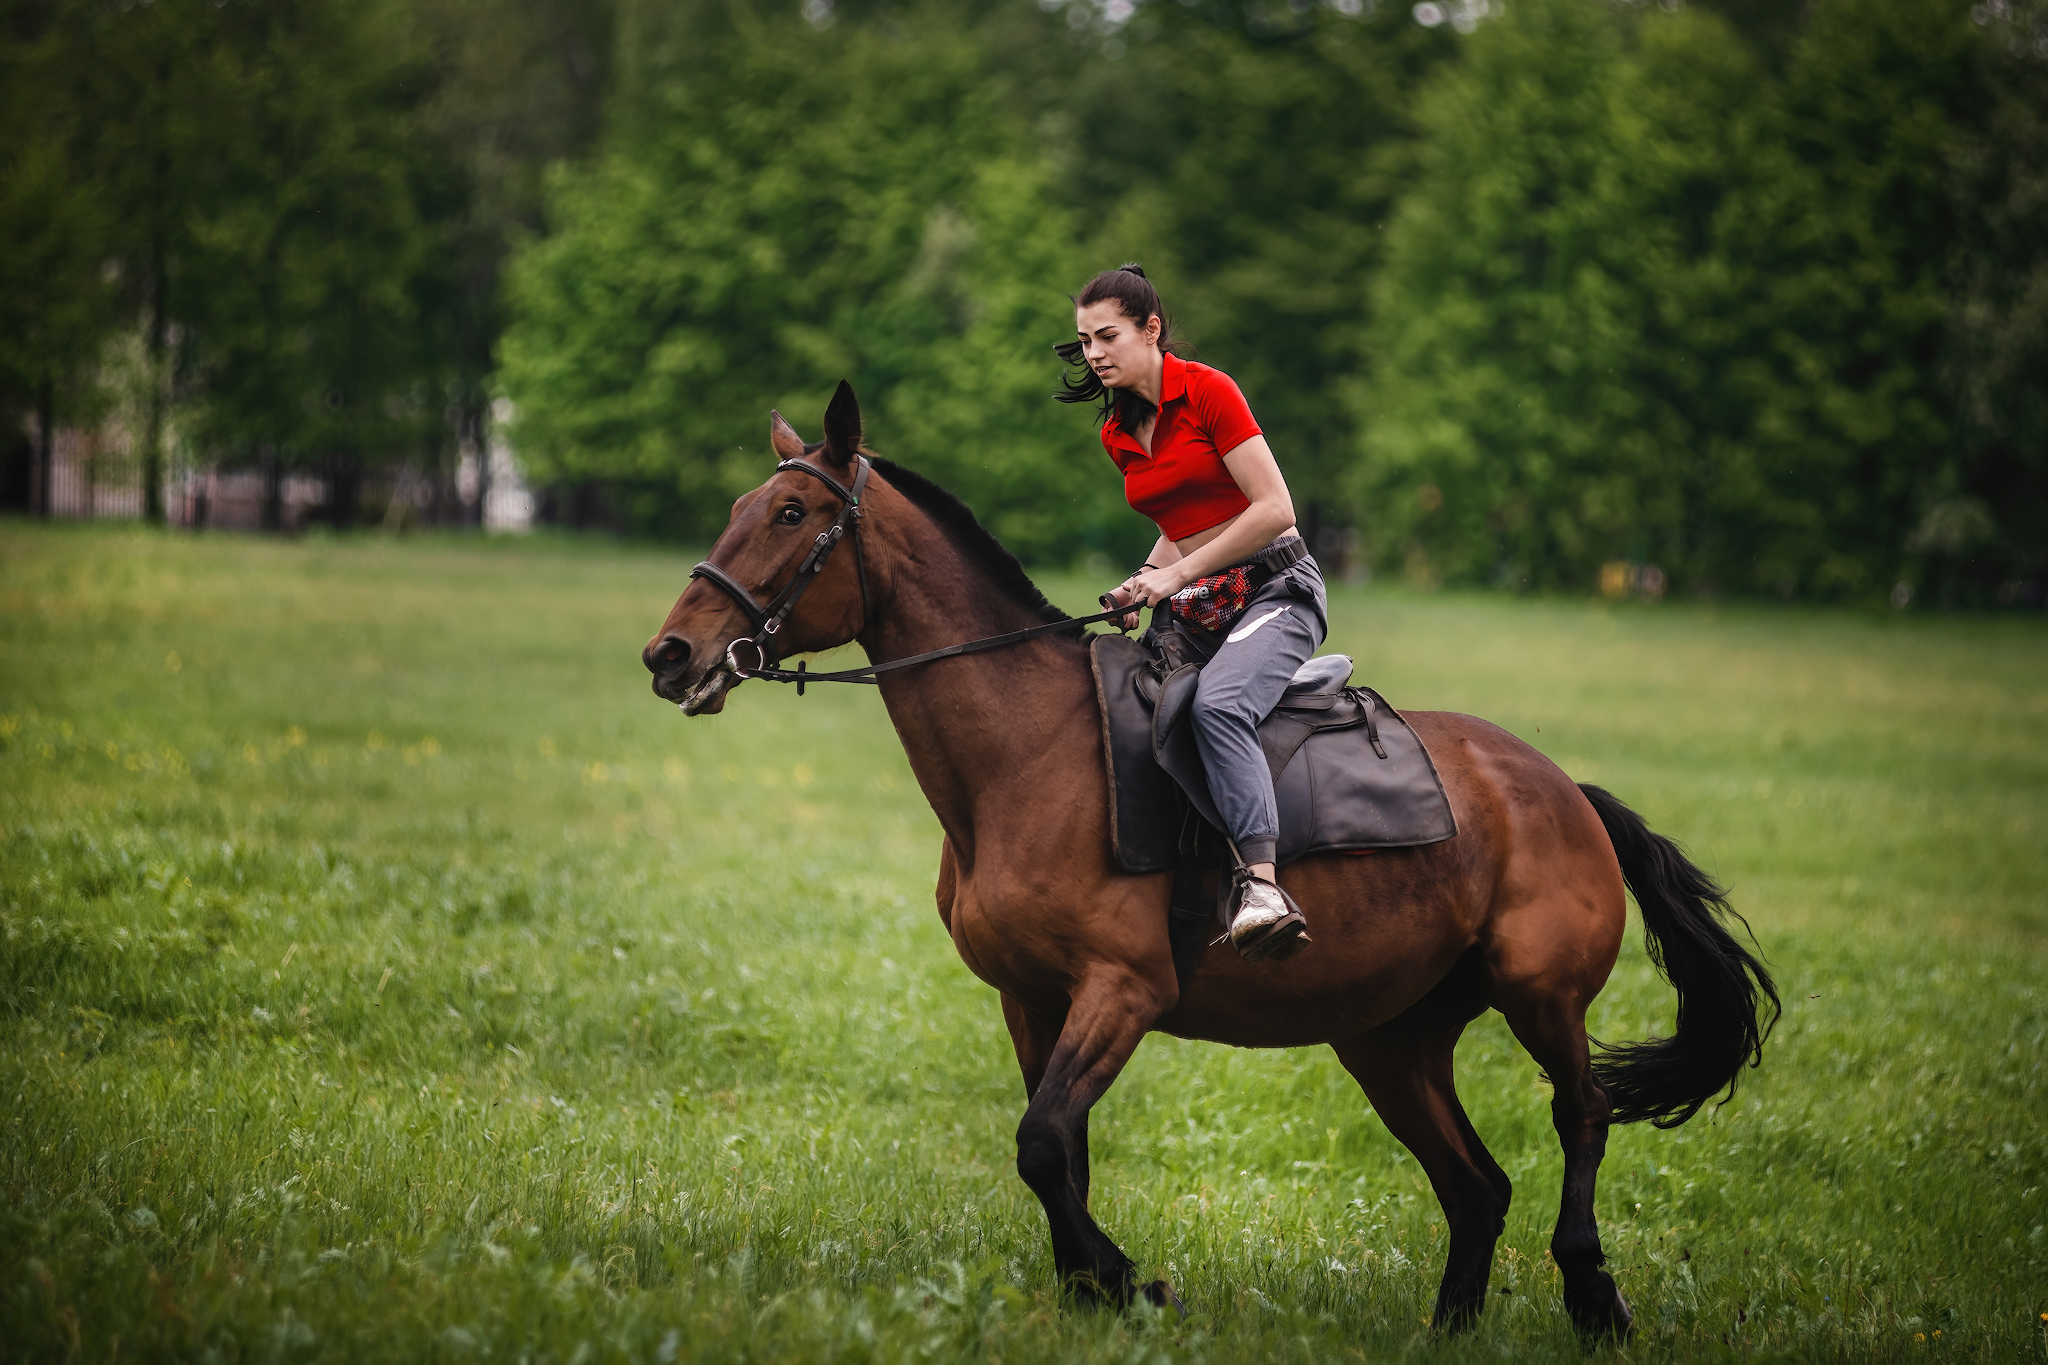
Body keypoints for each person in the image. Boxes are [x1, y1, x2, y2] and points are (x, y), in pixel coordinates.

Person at [1058, 264, 1326, 963]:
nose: (1094, 353)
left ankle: (1263, 887)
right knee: (1121, 701)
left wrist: (1175, 574)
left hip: (1277, 590)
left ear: (1151, 329)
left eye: (1107, 335)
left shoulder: (1210, 392)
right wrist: (1142, 579)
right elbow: (1181, 521)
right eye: (1084, 341)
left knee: (1218, 707)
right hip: (1199, 603)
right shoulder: (1118, 432)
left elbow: (1275, 510)